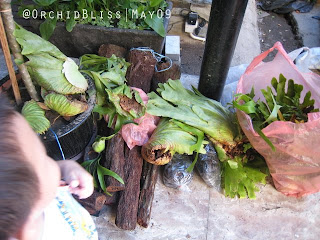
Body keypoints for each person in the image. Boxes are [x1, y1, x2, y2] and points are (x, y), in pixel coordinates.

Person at [0, 95, 98, 240]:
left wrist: (68, 168)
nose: (52, 161)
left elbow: (45, 172)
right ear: (25, 231)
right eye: (45, 161)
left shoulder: (28, 200)